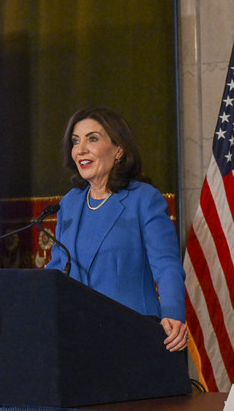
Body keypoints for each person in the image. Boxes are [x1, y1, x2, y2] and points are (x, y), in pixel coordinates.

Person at [46, 106, 187, 352]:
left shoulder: (143, 199)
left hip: (133, 334)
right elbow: (57, 269)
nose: (81, 150)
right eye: (75, 141)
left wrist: (173, 313)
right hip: (77, 337)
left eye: (93, 139)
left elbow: (166, 266)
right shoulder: (70, 202)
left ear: (119, 149)